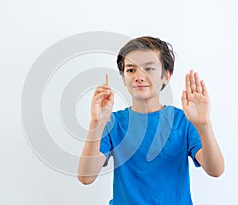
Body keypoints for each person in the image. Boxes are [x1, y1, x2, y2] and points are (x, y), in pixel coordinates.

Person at [78, 36, 224, 205]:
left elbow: (215, 170)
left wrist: (204, 125)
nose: (139, 76)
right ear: (123, 78)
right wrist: (96, 124)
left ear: (166, 76)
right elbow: (86, 177)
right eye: (131, 70)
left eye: (149, 69)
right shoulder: (113, 123)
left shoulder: (182, 121)